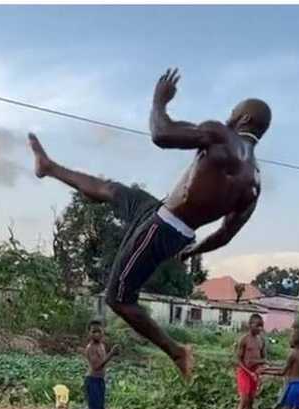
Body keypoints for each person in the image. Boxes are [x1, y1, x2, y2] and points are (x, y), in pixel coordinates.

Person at [28, 68, 271, 380]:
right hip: (168, 224)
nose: (229, 115)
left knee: (118, 298)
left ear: (245, 119)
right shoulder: (254, 183)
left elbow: (161, 133)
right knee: (112, 190)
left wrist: (159, 100)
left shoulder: (221, 135)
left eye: (234, 111)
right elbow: (225, 234)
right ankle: (49, 167)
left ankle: (176, 351)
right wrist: (188, 251)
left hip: (161, 226)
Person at [75, 320, 121, 409]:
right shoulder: (90, 348)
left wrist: (114, 353)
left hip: (100, 380)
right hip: (92, 380)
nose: (96, 334)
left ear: (103, 333)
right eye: (93, 331)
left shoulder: (101, 346)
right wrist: (111, 354)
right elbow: (96, 367)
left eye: (99, 331)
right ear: (89, 334)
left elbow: (103, 363)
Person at [234, 314, 267, 409]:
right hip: (244, 372)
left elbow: (263, 358)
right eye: (257, 325)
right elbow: (238, 360)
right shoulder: (244, 339)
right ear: (250, 325)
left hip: (255, 373)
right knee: (244, 400)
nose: (259, 328)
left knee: (251, 401)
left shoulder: (261, 341)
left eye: (261, 326)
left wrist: (261, 369)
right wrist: (249, 372)